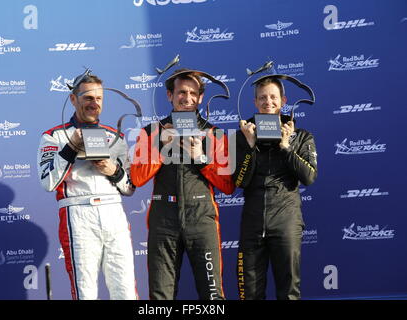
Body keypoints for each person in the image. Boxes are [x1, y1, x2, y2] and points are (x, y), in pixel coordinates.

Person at [130, 68, 235, 300]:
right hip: (163, 220)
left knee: (212, 296)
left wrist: (202, 159)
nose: (186, 98)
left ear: (200, 98)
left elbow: (228, 185)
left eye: (192, 93)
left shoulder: (215, 133)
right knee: (160, 297)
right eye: (181, 92)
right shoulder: (151, 132)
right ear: (169, 95)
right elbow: (137, 177)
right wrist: (161, 145)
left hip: (201, 219)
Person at [37, 72, 137, 300]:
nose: (94, 103)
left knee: (125, 291)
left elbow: (130, 188)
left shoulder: (116, 137)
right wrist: (71, 147)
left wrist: (112, 170)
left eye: (98, 98)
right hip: (78, 213)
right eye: (88, 98)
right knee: (85, 291)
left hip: (113, 212)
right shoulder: (53, 136)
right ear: (73, 99)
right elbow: (48, 182)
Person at [233, 76, 318, 300]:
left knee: (289, 292)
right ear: (255, 102)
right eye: (262, 97)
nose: (267, 102)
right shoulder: (241, 137)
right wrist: (250, 146)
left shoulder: (301, 136)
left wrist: (286, 147)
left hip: (286, 222)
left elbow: (309, 177)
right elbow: (238, 182)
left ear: (283, 101)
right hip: (252, 223)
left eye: (273, 97)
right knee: (249, 294)